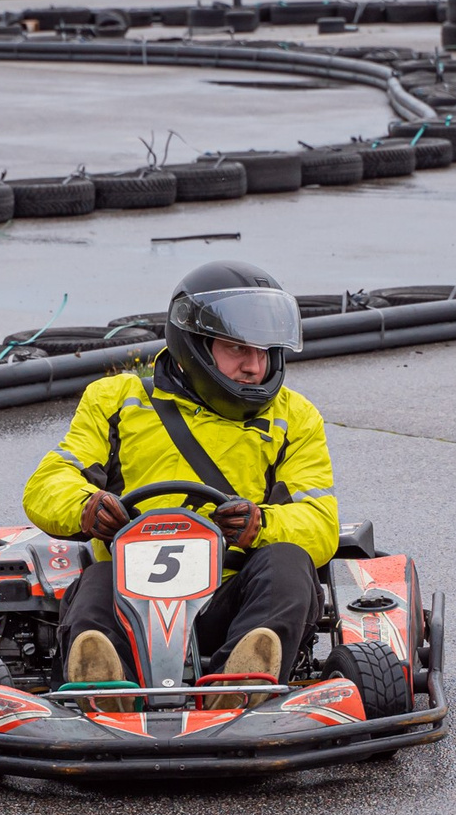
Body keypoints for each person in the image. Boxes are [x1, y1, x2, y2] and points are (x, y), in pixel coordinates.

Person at [22, 262, 337, 690]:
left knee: (288, 563)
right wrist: (86, 508)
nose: (254, 367)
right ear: (195, 346)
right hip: (128, 599)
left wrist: (261, 525)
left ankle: (243, 678)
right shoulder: (117, 400)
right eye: (238, 349)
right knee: (95, 579)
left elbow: (321, 523)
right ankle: (104, 683)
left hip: (232, 599)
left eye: (264, 352)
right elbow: (48, 483)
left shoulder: (294, 417)